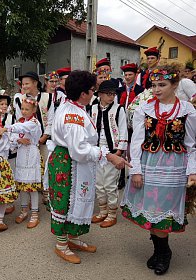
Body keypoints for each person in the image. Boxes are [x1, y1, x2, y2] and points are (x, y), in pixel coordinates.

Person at [121, 65, 196, 275]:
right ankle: (159, 250)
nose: (156, 89)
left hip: (174, 169)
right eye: (153, 85)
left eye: (162, 85)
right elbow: (136, 142)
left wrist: (192, 170)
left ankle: (164, 253)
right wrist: (136, 170)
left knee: (163, 216)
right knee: (151, 214)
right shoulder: (144, 108)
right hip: (148, 166)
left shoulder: (187, 111)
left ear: (175, 85)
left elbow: (192, 145)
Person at [48, 70, 128, 264]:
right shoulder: (72, 116)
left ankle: (72, 238)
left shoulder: (74, 105)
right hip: (68, 163)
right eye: (92, 90)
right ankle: (61, 245)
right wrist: (108, 155)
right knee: (66, 203)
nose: (94, 93)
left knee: (78, 201)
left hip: (72, 162)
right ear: (83, 93)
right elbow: (79, 149)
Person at [0, 97, 43, 228]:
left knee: (32, 187)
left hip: (32, 154)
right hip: (22, 155)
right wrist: (18, 140)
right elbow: (15, 137)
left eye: (27, 109)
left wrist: (6, 128)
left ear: (34, 110)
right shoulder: (21, 121)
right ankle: (24, 211)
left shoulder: (34, 122)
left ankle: (34, 214)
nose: (23, 111)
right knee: (23, 186)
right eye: (22, 109)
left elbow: (21, 128)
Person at [90, 80, 128, 228]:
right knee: (99, 183)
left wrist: (119, 151)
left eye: (113, 94)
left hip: (113, 150)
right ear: (100, 94)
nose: (111, 96)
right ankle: (102, 211)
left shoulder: (119, 109)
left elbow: (123, 130)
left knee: (110, 183)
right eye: (108, 94)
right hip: (97, 151)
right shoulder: (92, 108)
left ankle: (112, 213)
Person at [13, 71, 54, 207]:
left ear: (36, 83)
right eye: (23, 84)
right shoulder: (19, 99)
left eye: (27, 83)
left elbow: (51, 119)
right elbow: (19, 121)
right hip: (28, 142)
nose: (24, 86)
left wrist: (44, 136)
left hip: (44, 139)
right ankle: (30, 197)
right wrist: (21, 139)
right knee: (29, 167)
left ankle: (46, 195)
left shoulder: (48, 97)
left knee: (46, 166)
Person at [0, 93, 17, 214]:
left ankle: (10, 201)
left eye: (6, 104)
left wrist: (10, 142)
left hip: (8, 152)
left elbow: (14, 133)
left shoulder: (11, 118)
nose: (4, 106)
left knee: (9, 175)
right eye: (1, 104)